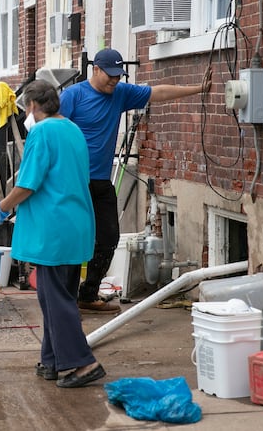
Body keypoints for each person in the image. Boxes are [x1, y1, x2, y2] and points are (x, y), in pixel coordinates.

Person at [59, 48, 212, 313]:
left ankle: (88, 294)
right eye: (111, 75)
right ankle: (65, 300)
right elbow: (52, 130)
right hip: (73, 182)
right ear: (95, 69)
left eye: (119, 76)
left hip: (100, 181)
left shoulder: (120, 94)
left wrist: (197, 89)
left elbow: (158, 93)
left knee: (108, 239)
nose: (115, 81)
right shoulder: (73, 96)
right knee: (75, 240)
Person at [0, 79, 105, 388]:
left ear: (33, 106)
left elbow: (28, 183)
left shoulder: (41, 132)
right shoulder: (72, 129)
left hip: (52, 229)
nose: (26, 113)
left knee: (57, 301)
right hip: (75, 225)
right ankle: (52, 361)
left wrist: (3, 207)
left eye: (26, 107)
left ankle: (83, 363)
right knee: (56, 298)